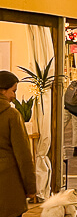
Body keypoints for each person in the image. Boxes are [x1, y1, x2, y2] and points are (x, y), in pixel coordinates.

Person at [0, 70, 37, 217]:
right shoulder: (12, 115)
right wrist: (31, 187)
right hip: (9, 186)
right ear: (2, 90)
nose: (14, 96)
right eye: (13, 91)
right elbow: (23, 155)